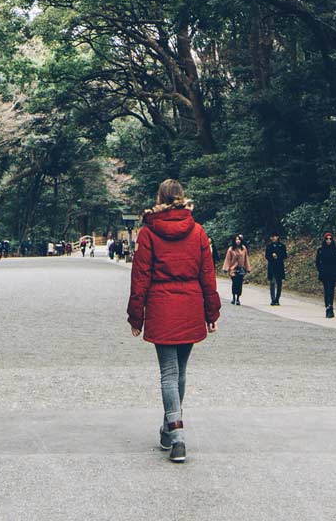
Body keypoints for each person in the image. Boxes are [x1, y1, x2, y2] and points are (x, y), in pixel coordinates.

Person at [126, 178, 219, 465]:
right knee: (180, 372)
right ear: (181, 197)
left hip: (161, 304)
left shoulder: (148, 232)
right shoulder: (198, 232)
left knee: (168, 372)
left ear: (160, 198)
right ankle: (169, 428)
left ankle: (176, 433)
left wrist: (135, 314)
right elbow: (208, 274)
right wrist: (211, 312)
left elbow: (140, 277)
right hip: (190, 304)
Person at [315, 230, 336, 317]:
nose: (329, 240)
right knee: (327, 290)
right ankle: (328, 307)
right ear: (324, 240)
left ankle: (331, 306)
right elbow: (317, 262)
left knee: (331, 290)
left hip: (333, 273)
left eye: (330, 239)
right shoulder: (321, 250)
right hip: (324, 273)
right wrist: (320, 270)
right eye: (327, 239)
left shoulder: (335, 250)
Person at [222, 234, 248, 306]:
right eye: (236, 240)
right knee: (234, 283)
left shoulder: (243, 248)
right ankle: (233, 297)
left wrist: (247, 268)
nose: (238, 241)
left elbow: (246, 259)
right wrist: (226, 268)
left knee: (239, 284)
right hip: (233, 269)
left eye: (239, 239)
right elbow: (228, 259)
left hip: (241, 269)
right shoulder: (231, 249)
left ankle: (238, 298)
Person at [264, 231, 287, 306]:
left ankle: (277, 299)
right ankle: (273, 299)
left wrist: (278, 256)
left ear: (278, 237)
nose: (273, 238)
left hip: (279, 266)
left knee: (279, 283)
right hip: (272, 266)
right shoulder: (269, 246)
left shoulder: (282, 246)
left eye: (275, 236)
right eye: (272, 237)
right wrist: (272, 256)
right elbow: (267, 256)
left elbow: (284, 256)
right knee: (272, 283)